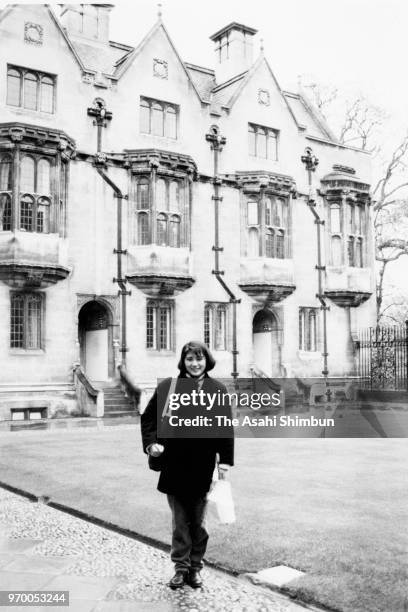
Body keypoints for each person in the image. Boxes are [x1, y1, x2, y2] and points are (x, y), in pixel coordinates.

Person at [141, 340, 234, 589]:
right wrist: (152, 445)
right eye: (190, 359)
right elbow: (148, 418)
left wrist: (224, 461)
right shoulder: (168, 387)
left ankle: (195, 568)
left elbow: (225, 428)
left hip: (203, 466)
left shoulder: (217, 390)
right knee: (180, 523)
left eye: (199, 358)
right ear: (183, 361)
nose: (195, 363)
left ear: (207, 361)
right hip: (174, 465)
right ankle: (181, 569)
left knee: (199, 524)